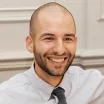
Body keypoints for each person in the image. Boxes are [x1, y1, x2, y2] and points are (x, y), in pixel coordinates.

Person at [0, 2, 104, 104]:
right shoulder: (6, 97)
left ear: (75, 42)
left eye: (68, 39)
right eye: (49, 38)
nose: (60, 50)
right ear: (30, 44)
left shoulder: (95, 84)